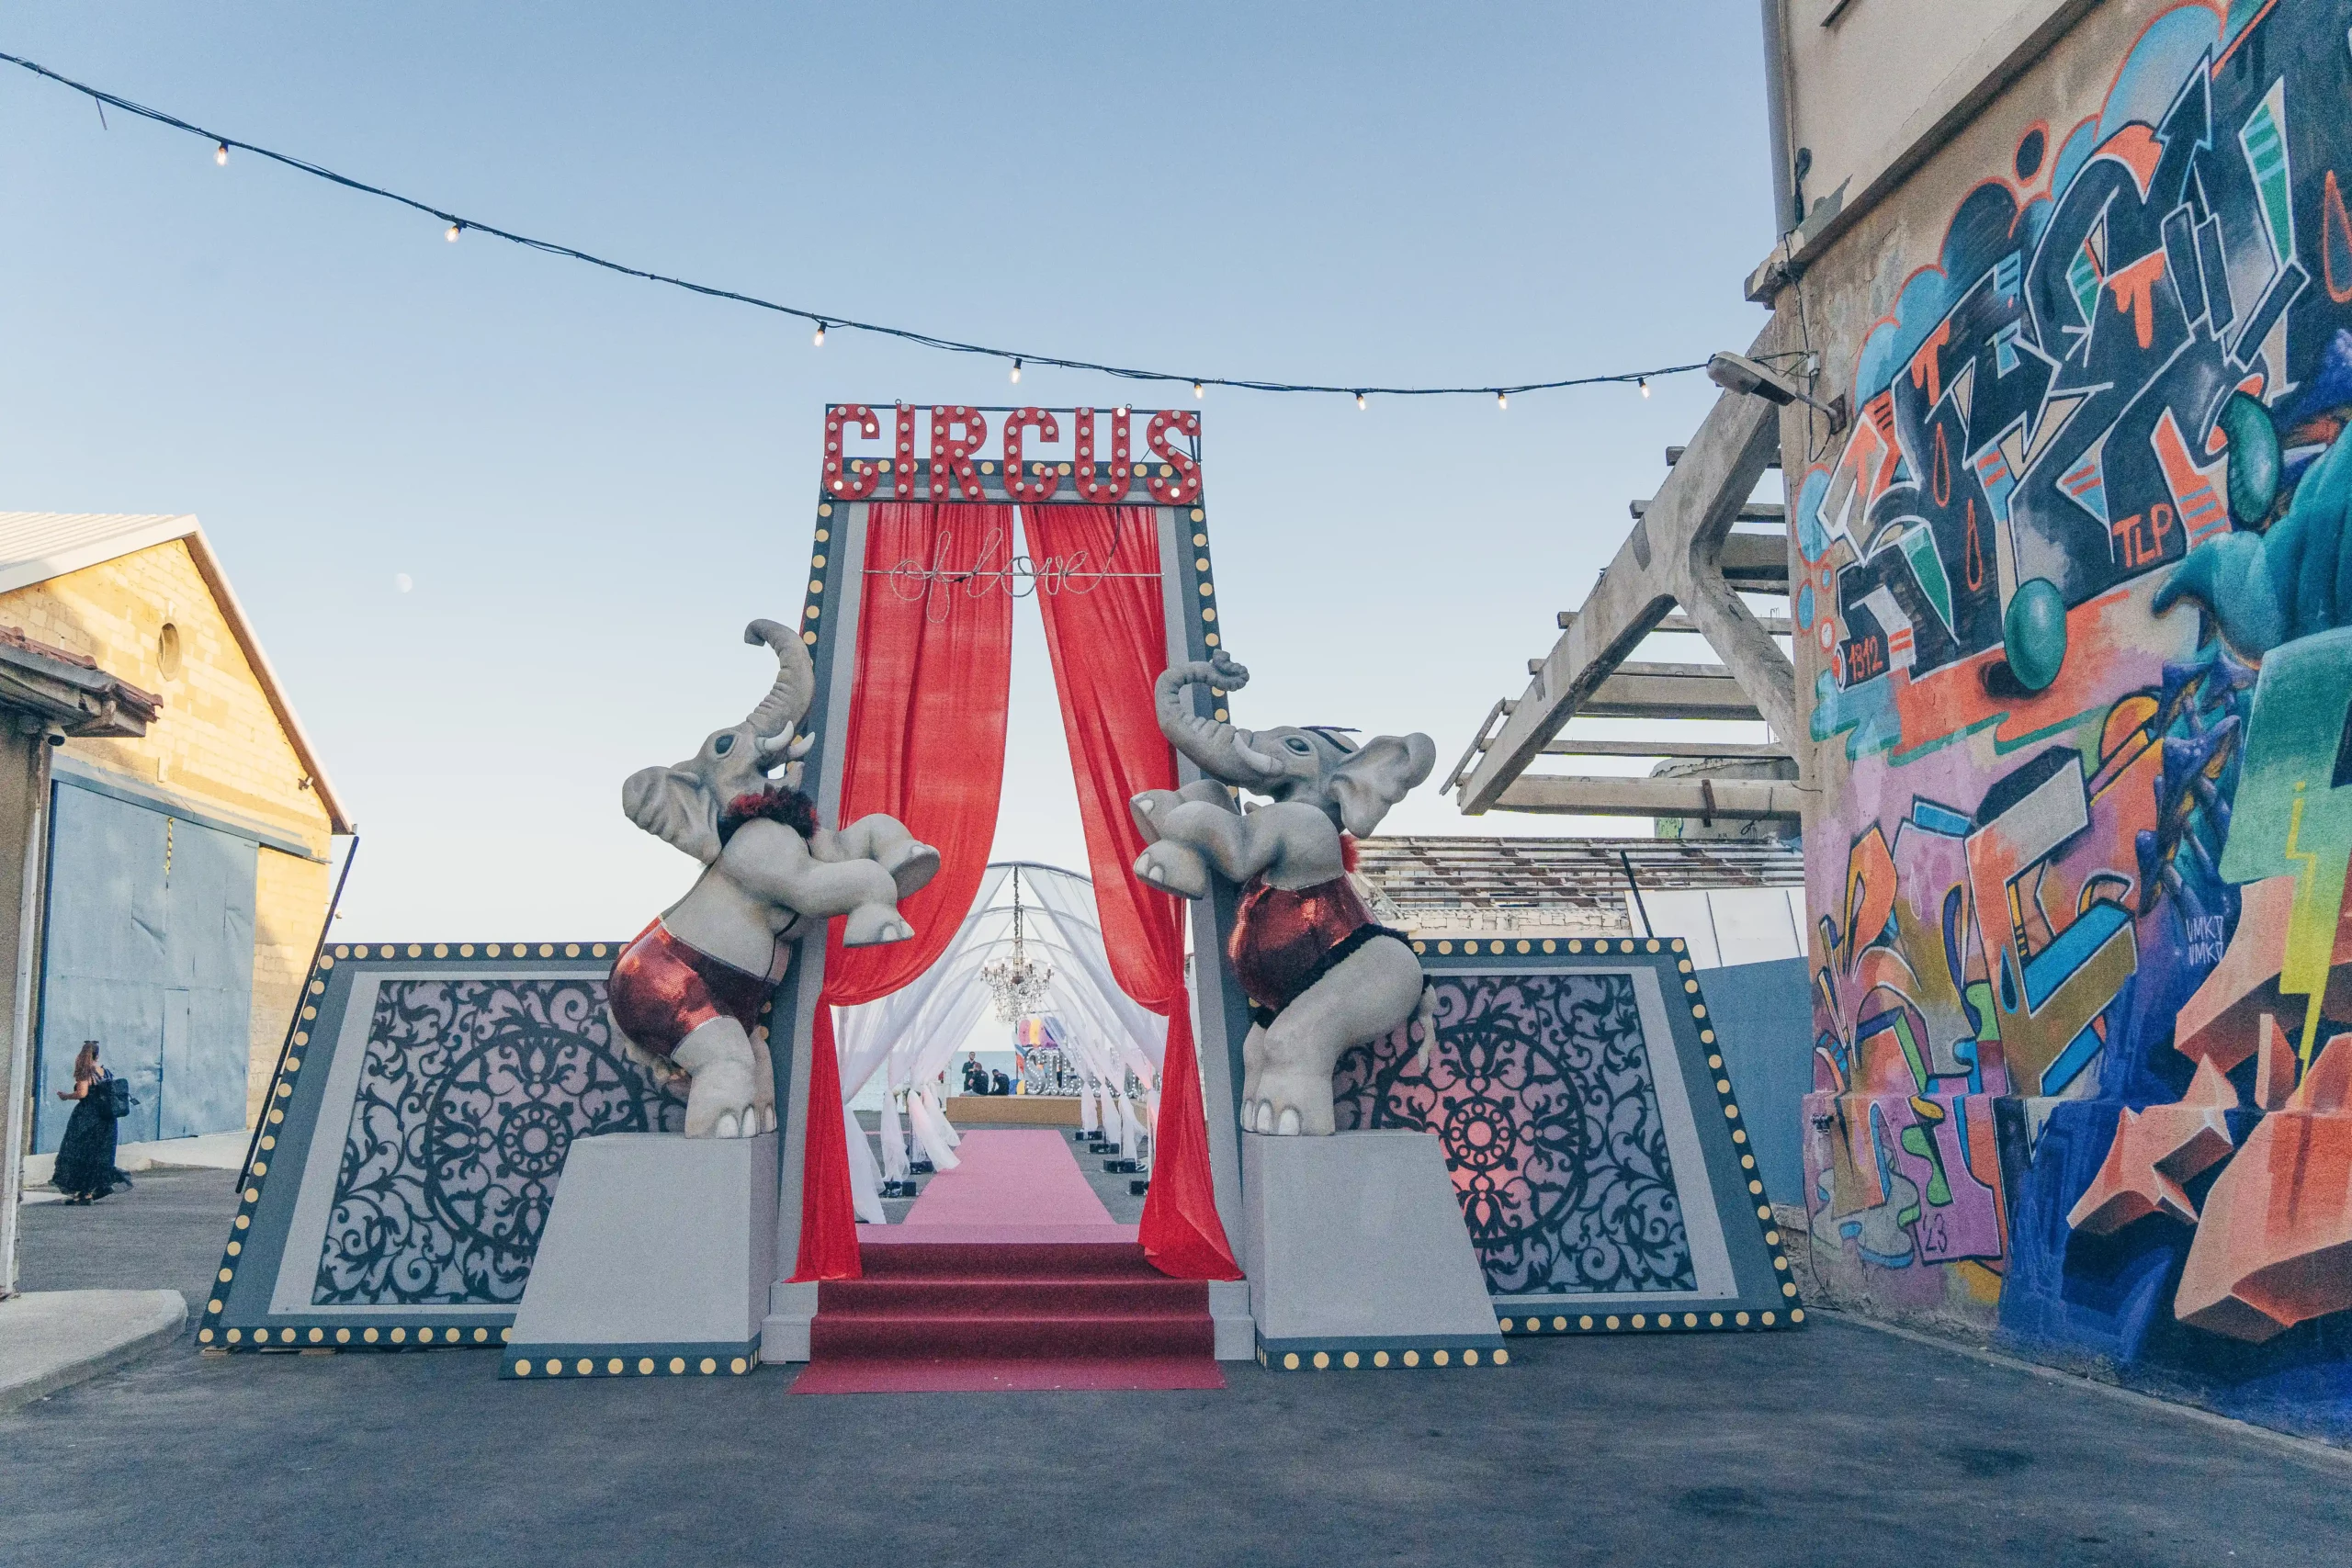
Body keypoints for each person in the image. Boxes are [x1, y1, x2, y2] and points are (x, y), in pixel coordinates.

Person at [52, 1041, 130, 1204]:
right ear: (97, 1056)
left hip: (87, 1118)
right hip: (107, 1119)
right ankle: (90, 1191)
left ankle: (83, 1194)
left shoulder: (84, 1072)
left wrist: (66, 1096)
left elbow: (82, 1093)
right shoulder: (105, 1072)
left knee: (79, 1153)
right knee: (99, 1155)